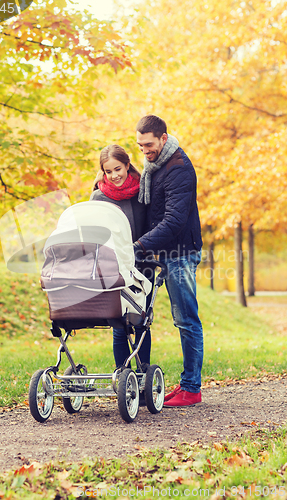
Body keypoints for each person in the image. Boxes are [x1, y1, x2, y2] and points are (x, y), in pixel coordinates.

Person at [134, 115, 203, 407]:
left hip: (181, 252)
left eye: (148, 144)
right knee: (174, 319)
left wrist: (139, 245)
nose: (144, 151)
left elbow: (174, 220)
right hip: (166, 251)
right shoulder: (157, 166)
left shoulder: (178, 168)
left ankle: (191, 389)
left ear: (163, 138)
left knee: (186, 320)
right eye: (139, 145)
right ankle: (186, 384)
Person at [90, 144, 152, 371]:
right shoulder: (98, 197)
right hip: (113, 267)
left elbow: (151, 226)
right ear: (103, 172)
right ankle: (123, 377)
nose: (114, 175)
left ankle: (143, 375)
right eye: (108, 171)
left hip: (142, 264)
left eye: (118, 169)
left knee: (141, 322)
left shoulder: (143, 191)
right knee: (119, 324)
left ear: (127, 165)